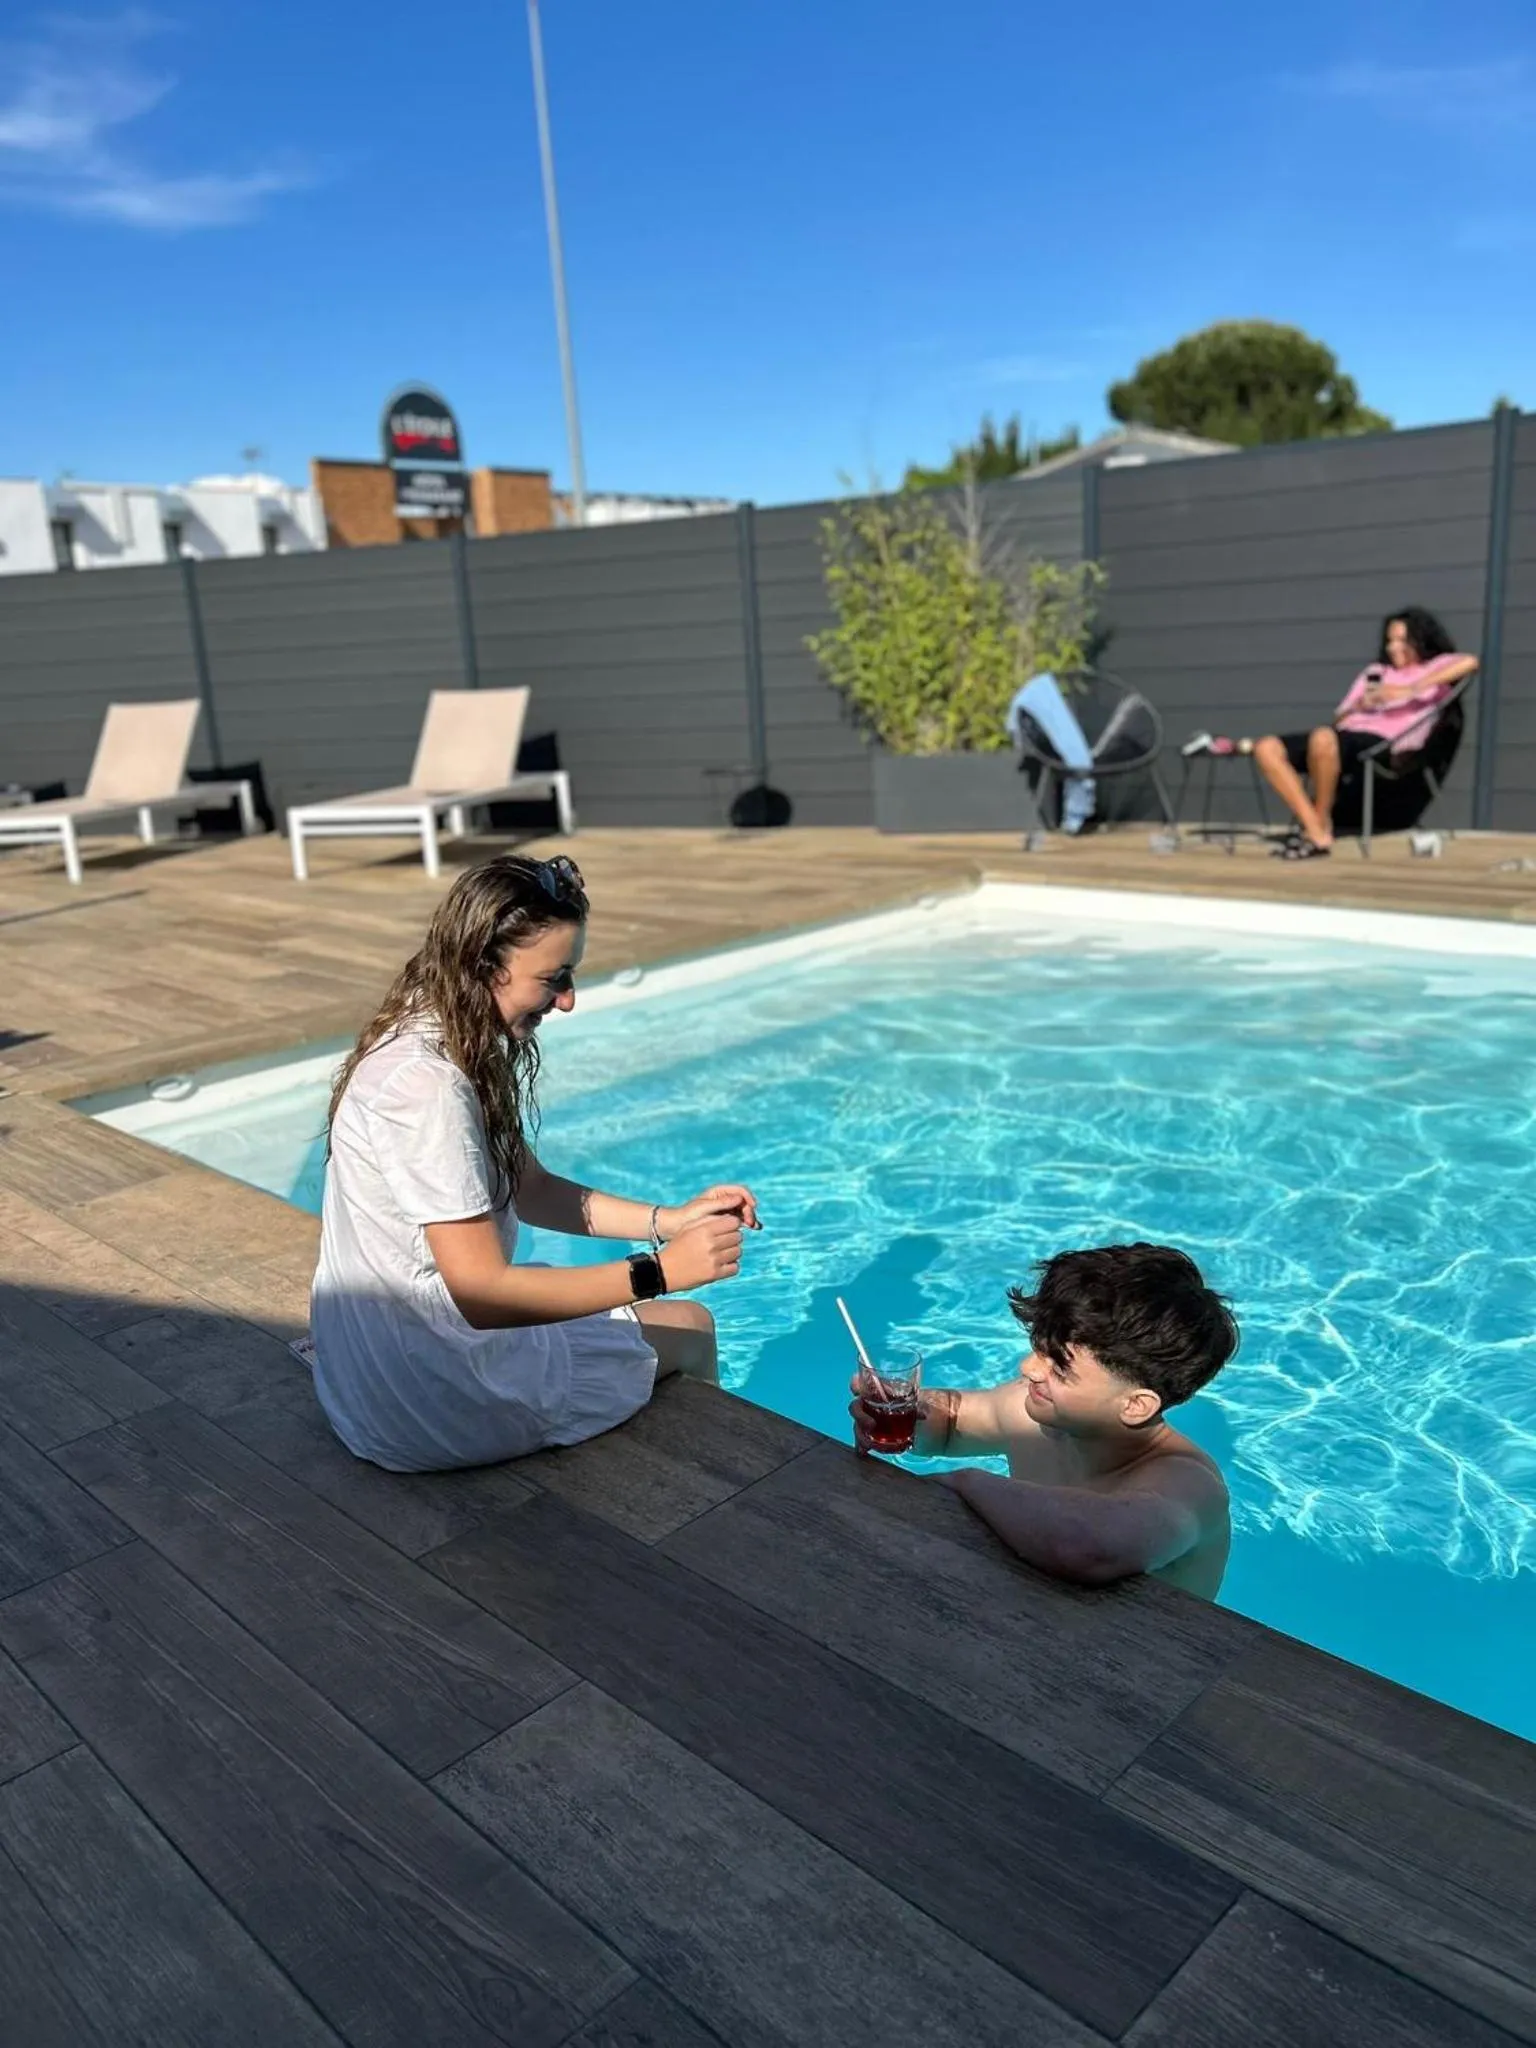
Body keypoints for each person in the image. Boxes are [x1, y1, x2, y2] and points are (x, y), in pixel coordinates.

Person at [309, 853, 760, 1473]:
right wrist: (659, 1273)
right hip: (431, 1403)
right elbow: (482, 1295)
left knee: (605, 1306)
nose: (568, 1000)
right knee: (690, 1323)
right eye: (554, 978)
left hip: (375, 1375)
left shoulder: (439, 1022)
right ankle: (713, 1500)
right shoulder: (428, 1089)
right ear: (483, 967)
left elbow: (532, 1188)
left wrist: (672, 1221)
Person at [851, 1243, 1238, 1597]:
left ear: (1135, 1405)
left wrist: (968, 1483)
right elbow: (952, 1422)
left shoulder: (1188, 1486)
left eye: (1061, 1369)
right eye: (1037, 1349)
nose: (1029, 1368)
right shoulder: (1037, 1415)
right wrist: (900, 1411)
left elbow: (1089, 1548)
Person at [1252, 607, 1477, 861]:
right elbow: (1340, 717)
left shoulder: (1434, 668)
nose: (1394, 647)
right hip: (1346, 735)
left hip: (1385, 743)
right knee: (1266, 747)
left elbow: (1470, 662)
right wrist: (1359, 706)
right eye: (1390, 640)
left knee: (1323, 739)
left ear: (1421, 639)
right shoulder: (1376, 672)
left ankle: (1318, 827)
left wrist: (1408, 690)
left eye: (1403, 640)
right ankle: (1316, 825)